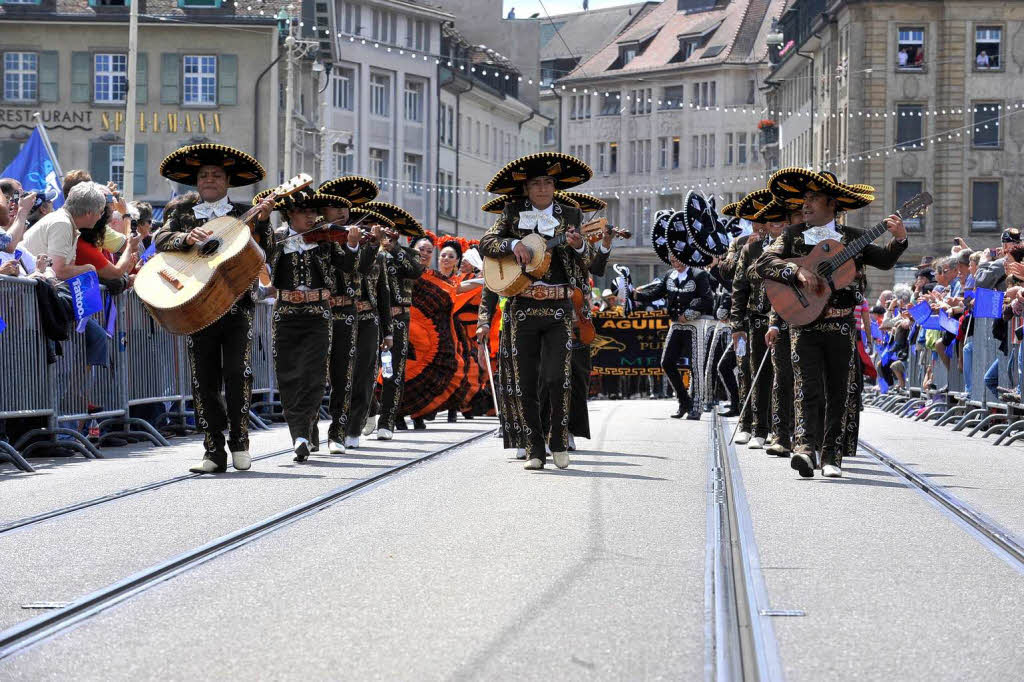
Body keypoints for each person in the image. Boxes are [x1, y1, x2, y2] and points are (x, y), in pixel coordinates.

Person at [756, 168, 907, 479]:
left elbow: (884, 260)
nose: (806, 205)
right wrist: (796, 272)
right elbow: (764, 263)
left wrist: (900, 239)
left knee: (838, 391)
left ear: (832, 204)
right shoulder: (792, 235)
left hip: (840, 326)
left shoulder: (853, 238)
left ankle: (831, 456)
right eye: (805, 199)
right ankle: (804, 449)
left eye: (813, 199)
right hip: (803, 324)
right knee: (807, 387)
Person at [154, 144, 276, 474]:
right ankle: (213, 450)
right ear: (197, 181)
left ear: (227, 181)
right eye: (204, 175)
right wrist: (185, 238)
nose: (209, 179)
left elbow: (268, 254)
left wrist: (263, 222)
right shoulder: (182, 210)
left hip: (237, 305)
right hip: (195, 305)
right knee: (203, 380)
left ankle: (240, 442)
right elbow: (160, 239)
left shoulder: (243, 213)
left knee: (238, 373)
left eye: (216, 175)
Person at [479, 152, 593, 470]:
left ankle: (558, 438)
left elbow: (590, 260)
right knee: (526, 380)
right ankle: (534, 448)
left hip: (558, 307)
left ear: (554, 187)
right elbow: (486, 242)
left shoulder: (571, 214)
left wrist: (579, 244)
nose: (542, 188)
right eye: (536, 183)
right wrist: (509, 246)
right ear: (527, 188)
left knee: (558, 377)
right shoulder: (512, 211)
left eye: (547, 183)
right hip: (522, 307)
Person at [267, 189, 359, 463]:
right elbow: (262, 261)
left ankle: (304, 434)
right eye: (305, 212)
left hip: (318, 313)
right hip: (285, 313)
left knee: (314, 376)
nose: (312, 217)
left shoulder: (325, 240)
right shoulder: (278, 239)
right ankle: (299, 435)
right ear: (289, 214)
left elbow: (348, 266)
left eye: (313, 212)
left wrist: (352, 244)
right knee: (288, 376)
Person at [316, 175, 379, 453]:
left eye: (346, 206)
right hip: (318, 312)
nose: (342, 211)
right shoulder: (315, 236)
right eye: (334, 206)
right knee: (315, 376)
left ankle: (344, 430)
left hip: (350, 313)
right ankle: (305, 433)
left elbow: (363, 270)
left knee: (351, 375)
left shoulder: (358, 237)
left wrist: (372, 244)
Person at [363, 201, 426, 440]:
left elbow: (414, 271)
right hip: (370, 316)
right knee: (363, 368)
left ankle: (387, 421)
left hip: (398, 317)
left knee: (392, 370)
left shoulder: (408, 253)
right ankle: (370, 409)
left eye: (386, 228)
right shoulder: (365, 249)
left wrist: (393, 248)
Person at [634, 253, 714, 419]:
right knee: (667, 362)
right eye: (672, 261)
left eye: (678, 259)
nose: (675, 263)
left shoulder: (699, 275)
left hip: (694, 324)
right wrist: (634, 294)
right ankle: (684, 401)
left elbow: (707, 299)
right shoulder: (669, 275)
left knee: (695, 366)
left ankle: (697, 407)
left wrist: (690, 313)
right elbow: (655, 293)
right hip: (676, 324)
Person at [344, 207, 393, 449]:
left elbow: (383, 294)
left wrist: (388, 331)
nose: (367, 230)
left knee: (364, 375)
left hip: (368, 319)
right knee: (342, 374)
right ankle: (347, 419)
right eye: (363, 226)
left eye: (371, 227)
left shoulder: (381, 256)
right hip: (342, 317)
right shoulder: (342, 248)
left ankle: (353, 429)